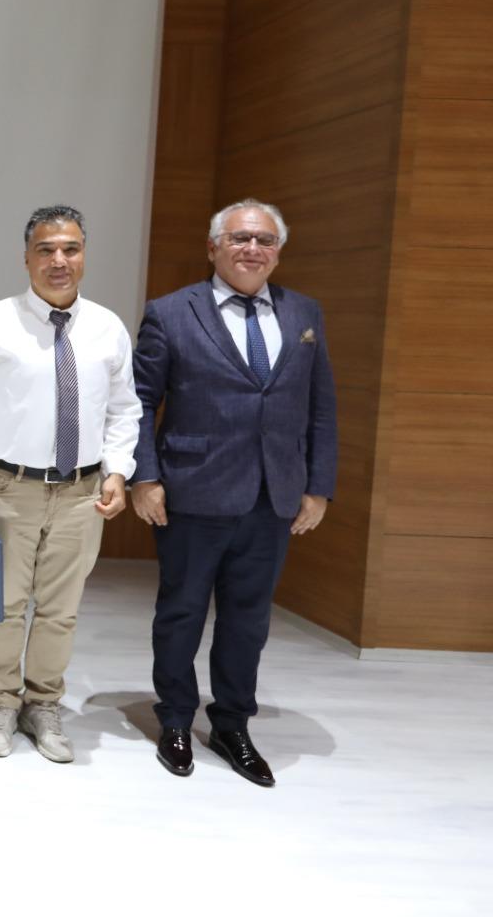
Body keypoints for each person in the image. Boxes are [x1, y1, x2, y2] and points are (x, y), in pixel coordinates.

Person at [132, 198, 335, 787]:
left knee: (249, 619)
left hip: (273, 495)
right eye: (241, 238)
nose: (253, 249)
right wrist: (146, 476)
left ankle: (232, 724)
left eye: (265, 240)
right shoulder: (171, 312)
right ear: (213, 247)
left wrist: (318, 486)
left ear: (278, 252)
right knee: (182, 612)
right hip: (192, 490)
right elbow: (140, 402)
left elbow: (321, 406)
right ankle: (175, 718)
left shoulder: (304, 313)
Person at [0, 205, 139, 763]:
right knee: (5, 606)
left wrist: (118, 470)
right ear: (26, 257)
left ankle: (44, 704)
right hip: (10, 488)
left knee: (60, 609)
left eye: (70, 249)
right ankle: (2, 702)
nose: (59, 260)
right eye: (46, 249)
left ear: (83, 255)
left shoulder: (107, 327)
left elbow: (124, 408)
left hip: (82, 492)